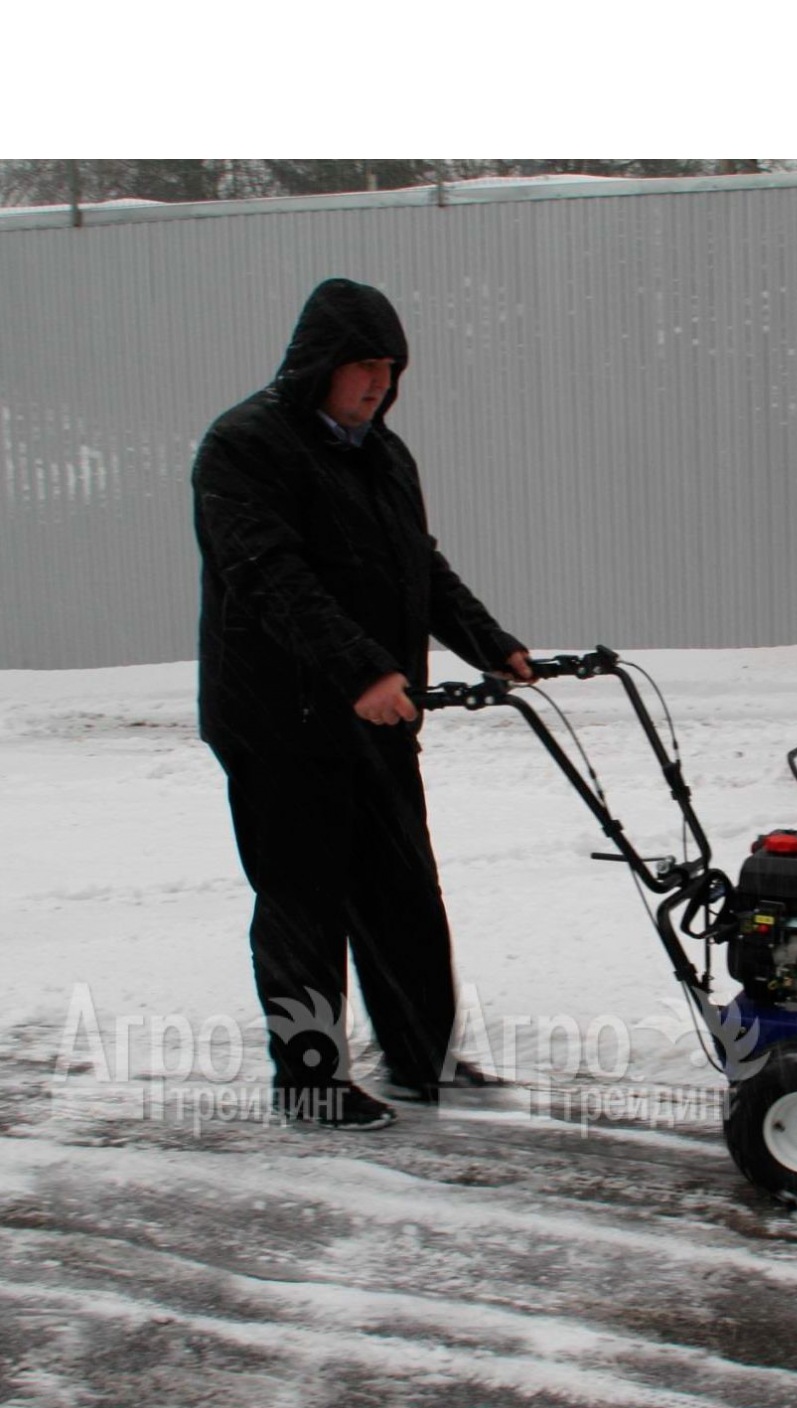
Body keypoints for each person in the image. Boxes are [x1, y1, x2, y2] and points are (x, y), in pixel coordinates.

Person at [192, 277, 535, 1129]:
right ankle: (310, 1083)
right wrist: (362, 672)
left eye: (390, 367)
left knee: (401, 889)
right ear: (320, 363)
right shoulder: (244, 447)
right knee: (304, 901)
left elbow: (421, 567)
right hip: (280, 719)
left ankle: (421, 1059)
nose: (379, 383)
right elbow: (270, 577)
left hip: (377, 714)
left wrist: (494, 644)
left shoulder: (384, 453)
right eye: (364, 366)